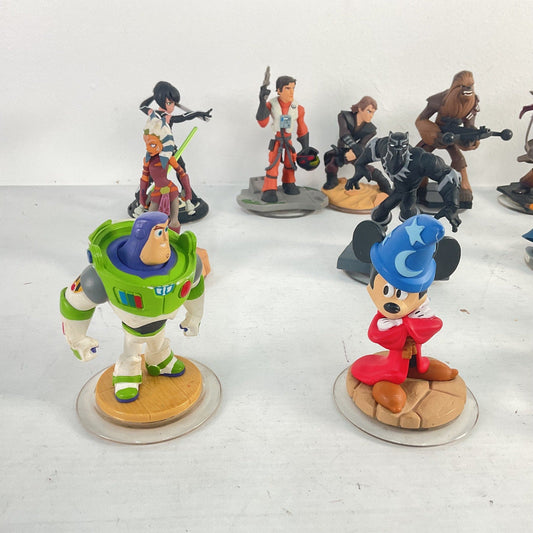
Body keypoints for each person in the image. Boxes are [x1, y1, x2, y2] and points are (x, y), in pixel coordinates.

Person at [256, 75, 315, 203]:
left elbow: (302, 127)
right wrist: (262, 102)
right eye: (288, 88)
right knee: (273, 163)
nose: (291, 92)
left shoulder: (298, 108)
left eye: (293, 88)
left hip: (288, 140)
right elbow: (262, 122)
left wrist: (306, 147)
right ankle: (269, 189)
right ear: (279, 90)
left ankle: (289, 183)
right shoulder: (271, 105)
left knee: (290, 162)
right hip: (277, 140)